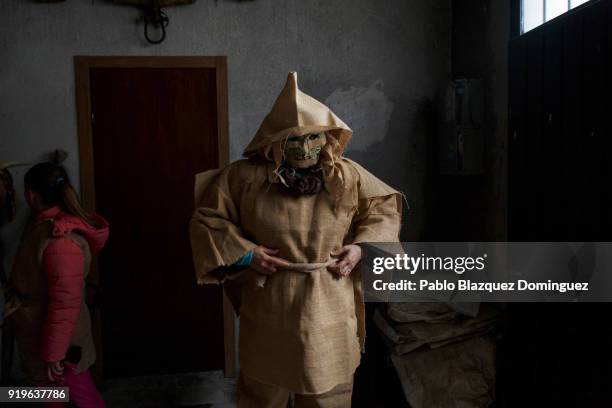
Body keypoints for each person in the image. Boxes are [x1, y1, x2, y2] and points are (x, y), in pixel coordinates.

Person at [190, 72, 403, 407]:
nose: (304, 148)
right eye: (293, 140)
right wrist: (247, 255)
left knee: (327, 393)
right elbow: (208, 219)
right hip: (271, 304)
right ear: (275, 140)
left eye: (313, 138)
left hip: (329, 300)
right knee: (263, 392)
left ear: (327, 137)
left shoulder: (346, 175)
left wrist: (361, 248)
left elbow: (383, 206)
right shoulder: (243, 177)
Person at [3, 162, 108, 407]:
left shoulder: (61, 241)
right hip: (48, 341)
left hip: (63, 348)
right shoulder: (41, 226)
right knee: (51, 397)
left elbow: (65, 305)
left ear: (31, 194)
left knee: (81, 397)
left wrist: (54, 355)